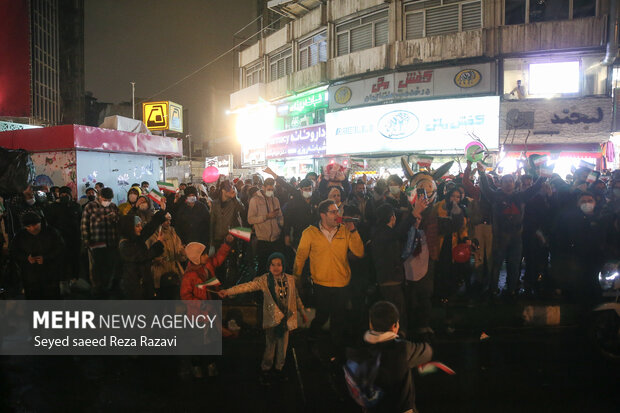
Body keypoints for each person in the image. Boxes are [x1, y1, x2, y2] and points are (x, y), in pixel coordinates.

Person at [219, 252, 307, 384]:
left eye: (279, 264)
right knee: (270, 346)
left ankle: (279, 369)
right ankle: (266, 369)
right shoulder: (264, 280)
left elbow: (296, 297)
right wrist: (228, 291)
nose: (276, 267)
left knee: (283, 347)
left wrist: (302, 311)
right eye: (273, 264)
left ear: (283, 265)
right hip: (272, 320)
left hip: (286, 320)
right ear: (268, 266)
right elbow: (247, 286)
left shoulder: (290, 279)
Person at [293, 199, 364, 361]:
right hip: (321, 284)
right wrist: (296, 278)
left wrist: (353, 231)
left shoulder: (345, 231)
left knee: (339, 318)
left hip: (342, 284)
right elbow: (300, 258)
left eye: (338, 211)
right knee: (322, 316)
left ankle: (335, 352)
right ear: (322, 214)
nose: (337, 215)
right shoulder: (310, 233)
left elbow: (359, 253)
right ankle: (312, 341)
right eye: (333, 212)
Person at [477, 162, 545, 297]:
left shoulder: (520, 196)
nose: (509, 183)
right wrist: (482, 173)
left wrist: (544, 174)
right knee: (496, 266)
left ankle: (512, 290)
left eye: (511, 181)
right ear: (500, 183)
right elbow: (485, 188)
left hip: (516, 238)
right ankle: (493, 289)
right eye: (506, 181)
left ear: (514, 183)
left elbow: (535, 187)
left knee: (514, 266)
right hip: (499, 237)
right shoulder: (494, 196)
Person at [353, 301, 432, 413]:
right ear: (395, 326)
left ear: (370, 324)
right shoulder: (403, 348)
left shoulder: (359, 351)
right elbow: (427, 351)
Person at [371, 204, 419, 338]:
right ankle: (397, 337)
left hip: (390, 279)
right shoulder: (384, 233)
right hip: (389, 280)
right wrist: (413, 214)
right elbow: (399, 232)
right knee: (397, 313)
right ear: (392, 218)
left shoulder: (379, 232)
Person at [10, 212, 65, 299]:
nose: (32, 228)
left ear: (40, 222)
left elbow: (60, 248)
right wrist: (26, 258)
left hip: (50, 273)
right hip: (30, 275)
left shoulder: (51, 232)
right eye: (28, 226)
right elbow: (15, 251)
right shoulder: (20, 235)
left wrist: (46, 258)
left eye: (35, 225)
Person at [118, 206, 167, 299]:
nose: (140, 228)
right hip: (134, 286)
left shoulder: (134, 238)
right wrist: (159, 243)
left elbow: (148, 229)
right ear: (129, 227)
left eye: (141, 225)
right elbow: (143, 255)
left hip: (143, 283)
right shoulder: (124, 245)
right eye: (137, 226)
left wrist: (162, 211)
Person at [81, 187, 120, 298]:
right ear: (99, 196)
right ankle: (97, 289)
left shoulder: (113, 206)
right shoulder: (90, 206)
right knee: (96, 267)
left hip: (111, 243)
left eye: (109, 199)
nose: (107, 201)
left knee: (109, 266)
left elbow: (119, 221)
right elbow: (84, 224)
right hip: (96, 242)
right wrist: (86, 240)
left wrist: (115, 217)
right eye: (105, 199)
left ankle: (107, 287)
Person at [45, 186, 82, 282]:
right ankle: (63, 282)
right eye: (62, 194)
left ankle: (75, 280)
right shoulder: (53, 207)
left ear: (70, 195)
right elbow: (50, 223)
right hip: (59, 239)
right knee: (62, 261)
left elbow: (80, 221)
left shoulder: (76, 206)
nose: (64, 196)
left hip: (75, 239)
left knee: (75, 260)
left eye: (66, 194)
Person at [248, 177, 284, 275]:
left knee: (275, 269)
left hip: (276, 239)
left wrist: (281, 226)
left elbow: (280, 216)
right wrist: (266, 217)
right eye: (268, 189)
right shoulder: (255, 200)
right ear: (263, 187)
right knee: (262, 267)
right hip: (263, 240)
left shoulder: (275, 200)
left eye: (272, 190)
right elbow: (250, 219)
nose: (270, 191)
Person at [145, 213, 186, 297]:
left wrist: (182, 253)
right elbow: (146, 256)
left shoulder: (173, 234)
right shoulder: (152, 236)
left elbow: (179, 255)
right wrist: (154, 260)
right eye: (166, 220)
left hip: (173, 272)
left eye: (170, 220)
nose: (168, 222)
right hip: (159, 274)